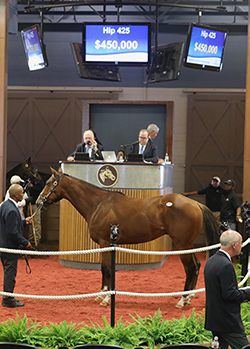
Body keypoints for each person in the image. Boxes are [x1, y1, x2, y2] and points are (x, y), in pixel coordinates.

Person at [204, 230, 250, 349]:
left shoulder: (211, 261)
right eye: (240, 243)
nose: (241, 245)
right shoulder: (226, 265)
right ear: (234, 245)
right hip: (228, 322)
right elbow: (230, 294)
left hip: (215, 320)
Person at [0, 184, 33, 308]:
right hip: (9, 248)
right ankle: (8, 299)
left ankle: (8, 297)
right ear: (15, 195)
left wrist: (24, 222)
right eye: (21, 193)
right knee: (10, 274)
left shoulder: (5, 205)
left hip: (3, 245)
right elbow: (12, 232)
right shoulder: (12, 210)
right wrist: (26, 243)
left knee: (8, 273)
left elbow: (9, 225)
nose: (23, 194)